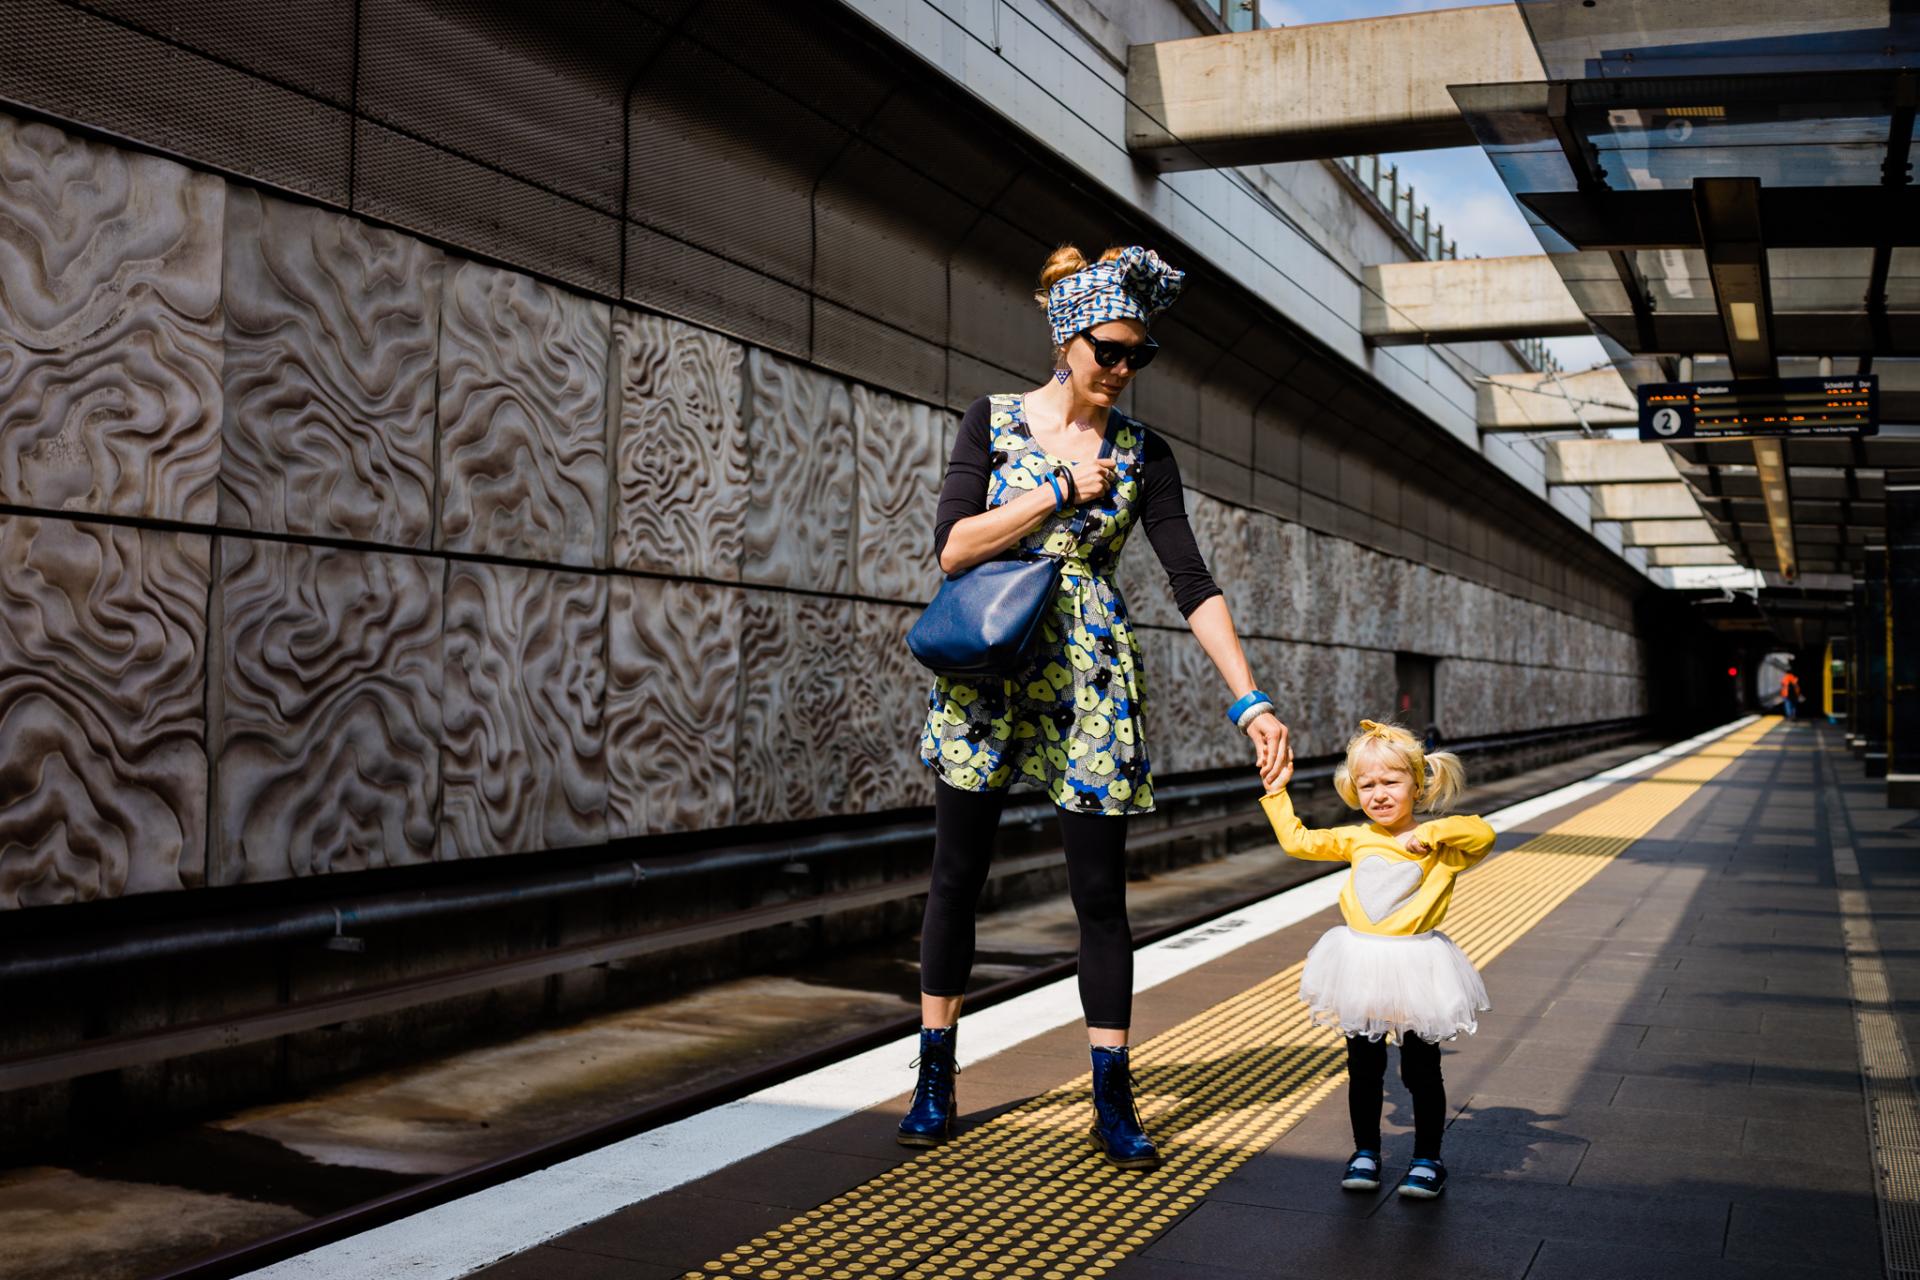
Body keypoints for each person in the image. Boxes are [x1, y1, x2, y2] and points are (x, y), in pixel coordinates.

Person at [904, 244, 1291, 1169]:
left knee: (1099, 897)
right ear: (1065, 342)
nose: (1123, 371)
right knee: (957, 877)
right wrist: (1053, 493)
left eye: (1137, 357)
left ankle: (1113, 1098)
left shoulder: (1146, 452)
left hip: (1090, 677)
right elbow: (953, 549)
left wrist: (1252, 701)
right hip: (989, 667)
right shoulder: (990, 422)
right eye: (1110, 352)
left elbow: (1190, 580)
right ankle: (933, 1075)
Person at [1259, 720, 1495, 1199]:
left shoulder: (1442, 845)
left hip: (1416, 966)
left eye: (1391, 781)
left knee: (1419, 1069)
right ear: (1354, 790)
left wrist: (1433, 834)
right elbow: (1298, 841)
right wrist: (1276, 794)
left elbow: (1484, 834)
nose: (1378, 794)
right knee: (1363, 1066)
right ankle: (1365, 1151)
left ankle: (1428, 1158)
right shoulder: (1356, 839)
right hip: (1360, 963)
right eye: (1367, 784)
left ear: (1418, 784)